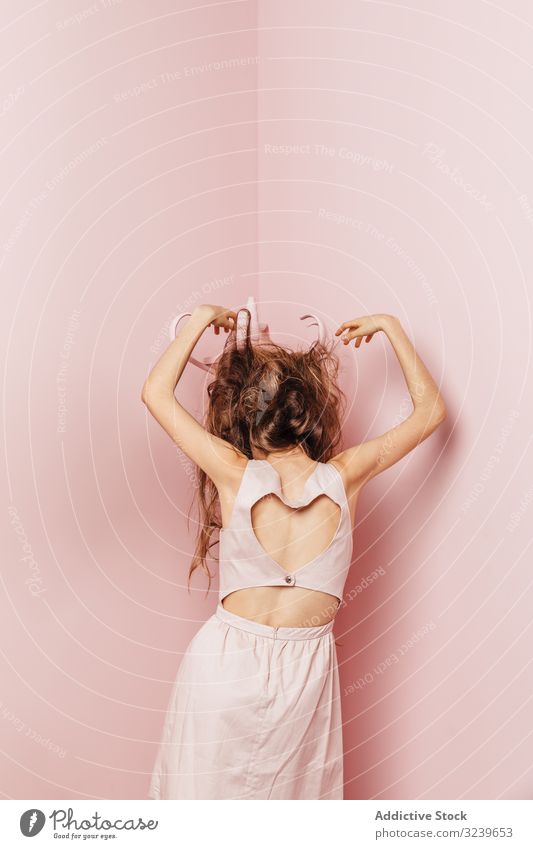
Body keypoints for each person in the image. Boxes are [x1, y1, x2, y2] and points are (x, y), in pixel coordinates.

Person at [141, 304, 446, 799]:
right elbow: (431, 411)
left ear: (242, 413)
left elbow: (154, 393)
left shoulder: (232, 470)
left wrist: (199, 320)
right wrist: (391, 326)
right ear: (306, 412)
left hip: (225, 663)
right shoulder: (347, 473)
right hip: (304, 671)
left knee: (200, 810)